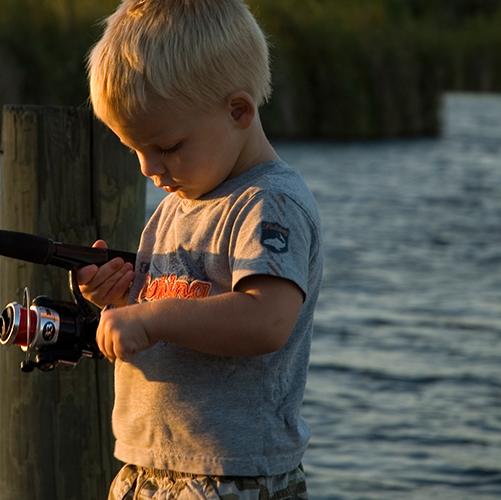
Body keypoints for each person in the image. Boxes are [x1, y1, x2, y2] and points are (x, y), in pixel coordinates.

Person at [77, 0, 322, 498]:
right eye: (135, 150)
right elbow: (175, 309)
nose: (148, 168)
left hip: (232, 473)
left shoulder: (267, 202)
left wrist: (150, 320)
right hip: (146, 465)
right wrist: (120, 302)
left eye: (166, 147)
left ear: (237, 111)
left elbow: (266, 319)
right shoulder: (179, 202)